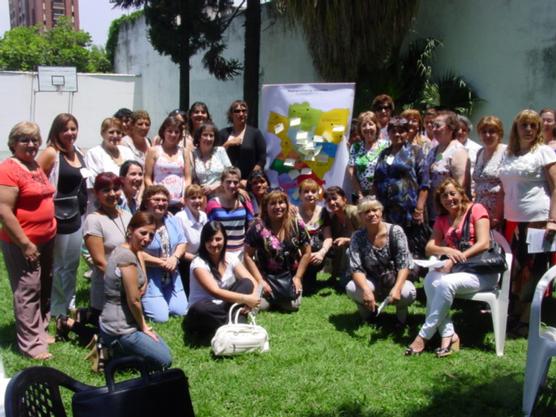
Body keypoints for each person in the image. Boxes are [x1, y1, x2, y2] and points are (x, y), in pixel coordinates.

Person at [406, 178, 495, 357]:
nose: (449, 198)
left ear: (461, 193)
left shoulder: (477, 209)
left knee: (445, 284)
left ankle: (424, 336)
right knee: (431, 280)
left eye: (452, 193)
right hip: (458, 272)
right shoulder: (442, 219)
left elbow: (484, 243)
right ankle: (449, 335)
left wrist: (455, 259)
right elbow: (430, 247)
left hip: (481, 271)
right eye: (444, 196)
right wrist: (446, 249)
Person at [0, 122, 56, 360]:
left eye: (35, 139)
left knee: (43, 285)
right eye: (25, 140)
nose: (31, 144)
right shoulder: (8, 169)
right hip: (23, 242)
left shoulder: (34, 165)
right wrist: (25, 243)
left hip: (47, 237)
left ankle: (40, 330)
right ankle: (31, 344)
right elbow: (3, 210)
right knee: (28, 288)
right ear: (13, 143)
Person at [499, 109, 556, 336]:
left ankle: (526, 319)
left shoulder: (544, 152)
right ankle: (514, 311)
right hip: (512, 220)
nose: (529, 129)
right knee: (515, 268)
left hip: (537, 220)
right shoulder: (509, 153)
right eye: (525, 125)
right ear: (516, 127)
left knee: (533, 270)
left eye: (534, 125)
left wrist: (553, 220)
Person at [57, 173, 132, 345]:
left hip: (127, 281)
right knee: (112, 340)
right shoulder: (93, 220)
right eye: (106, 190)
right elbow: (99, 262)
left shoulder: (127, 216)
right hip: (107, 285)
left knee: (125, 328)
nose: (112, 194)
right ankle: (67, 323)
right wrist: (124, 282)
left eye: (116, 189)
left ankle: (84, 315)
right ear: (97, 193)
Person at [99, 211, 172, 370]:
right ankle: (113, 351)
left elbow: (140, 256)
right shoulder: (126, 257)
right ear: (130, 230)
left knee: (164, 350)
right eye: (143, 233)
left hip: (126, 320)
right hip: (120, 328)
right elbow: (133, 300)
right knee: (165, 361)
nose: (147, 239)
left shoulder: (128, 248)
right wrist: (143, 326)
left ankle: (118, 350)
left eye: (151, 235)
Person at [37, 113, 88, 319]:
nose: (70, 133)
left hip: (77, 216)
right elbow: (37, 180)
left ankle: (70, 303)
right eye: (65, 129)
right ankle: (58, 308)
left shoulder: (79, 153)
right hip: (57, 218)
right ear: (56, 131)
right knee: (58, 266)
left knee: (72, 264)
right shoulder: (51, 153)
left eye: (73, 128)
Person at [345, 197, 416, 325]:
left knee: (407, 293)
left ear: (381, 212)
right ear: (360, 216)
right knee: (351, 288)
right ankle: (368, 316)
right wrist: (366, 290)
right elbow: (356, 268)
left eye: (375, 210)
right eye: (366, 212)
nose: (372, 214)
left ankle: (401, 319)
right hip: (372, 281)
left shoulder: (396, 231)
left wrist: (397, 288)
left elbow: (404, 264)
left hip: (394, 279)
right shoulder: (357, 237)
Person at [187, 221, 261, 335]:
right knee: (200, 309)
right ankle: (237, 319)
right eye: (209, 240)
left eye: (218, 239)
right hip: (206, 309)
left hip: (225, 305)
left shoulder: (230, 258)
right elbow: (216, 292)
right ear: (203, 242)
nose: (214, 243)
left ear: (225, 239)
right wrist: (246, 299)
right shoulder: (198, 263)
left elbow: (252, 282)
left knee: (246, 283)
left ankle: (232, 323)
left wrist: (253, 299)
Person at [244, 190, 311, 311]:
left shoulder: (296, 225)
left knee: (292, 306)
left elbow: (307, 252)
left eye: (281, 202)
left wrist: (298, 277)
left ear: (287, 204)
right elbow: (248, 256)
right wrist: (260, 281)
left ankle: (279, 298)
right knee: (260, 306)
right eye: (273, 203)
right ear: (266, 207)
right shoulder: (257, 227)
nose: (278, 207)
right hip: (266, 277)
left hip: (290, 277)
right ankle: (268, 296)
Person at [140, 185, 188, 322]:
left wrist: (175, 257)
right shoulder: (140, 222)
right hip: (151, 276)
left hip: (172, 275)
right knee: (160, 318)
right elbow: (136, 252)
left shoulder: (172, 220)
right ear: (146, 201)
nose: (161, 203)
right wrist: (161, 262)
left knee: (180, 311)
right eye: (156, 199)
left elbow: (182, 242)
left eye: (164, 200)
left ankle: (164, 299)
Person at [374, 116, 428, 230]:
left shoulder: (416, 151)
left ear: (407, 133)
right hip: (386, 210)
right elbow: (376, 180)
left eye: (401, 131)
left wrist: (419, 209)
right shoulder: (384, 153)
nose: (397, 134)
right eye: (393, 131)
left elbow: (425, 182)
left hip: (408, 211)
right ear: (388, 133)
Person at [424, 110, 469, 223]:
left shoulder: (457, 151)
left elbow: (460, 185)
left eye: (438, 126)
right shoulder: (434, 150)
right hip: (434, 210)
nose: (433, 129)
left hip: (450, 211)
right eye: (433, 126)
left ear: (450, 128)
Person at [84, 117, 135, 211]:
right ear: (102, 133)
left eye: (119, 132)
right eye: (111, 132)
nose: (115, 135)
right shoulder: (94, 153)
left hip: (128, 203)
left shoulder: (128, 152)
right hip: (103, 206)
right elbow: (93, 183)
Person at [144, 115, 191, 213]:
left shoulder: (184, 152)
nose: (173, 134)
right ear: (163, 132)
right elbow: (147, 177)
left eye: (176, 132)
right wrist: (156, 195)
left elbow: (187, 178)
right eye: (170, 131)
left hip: (179, 203)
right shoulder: (154, 150)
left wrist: (185, 196)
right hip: (159, 203)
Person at [206, 167, 254, 257]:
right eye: (228, 182)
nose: (232, 185)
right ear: (222, 183)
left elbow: (251, 225)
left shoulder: (245, 201)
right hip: (220, 253)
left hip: (241, 253)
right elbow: (209, 230)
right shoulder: (212, 204)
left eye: (235, 182)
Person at [218, 100, 267, 184]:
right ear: (231, 114)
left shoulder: (255, 133)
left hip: (248, 183)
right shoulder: (223, 133)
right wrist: (228, 144)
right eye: (237, 111)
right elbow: (216, 156)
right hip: (228, 183)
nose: (241, 114)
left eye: (244, 111)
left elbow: (262, 159)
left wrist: (249, 180)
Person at [297, 179, 332, 293]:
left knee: (309, 288)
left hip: (316, 254)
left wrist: (321, 253)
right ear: (300, 195)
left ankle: (308, 278)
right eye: (306, 191)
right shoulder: (293, 212)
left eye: (313, 191)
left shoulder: (323, 212)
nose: (310, 194)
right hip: (298, 253)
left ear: (318, 194)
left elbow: (328, 238)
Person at [322, 186, 361, 286]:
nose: (331, 202)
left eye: (334, 198)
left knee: (348, 251)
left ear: (344, 199)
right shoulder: (333, 217)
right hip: (346, 251)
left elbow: (368, 236)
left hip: (362, 249)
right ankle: (336, 275)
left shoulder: (355, 212)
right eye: (328, 200)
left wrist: (348, 240)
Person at [472, 116, 506, 231]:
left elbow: (505, 185)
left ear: (499, 133)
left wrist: (497, 214)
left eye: (492, 131)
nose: (487, 135)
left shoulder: (506, 152)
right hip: (479, 210)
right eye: (483, 132)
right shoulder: (480, 152)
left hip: (498, 210)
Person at [347, 111, 390, 201]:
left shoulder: (387, 145)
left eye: (371, 124)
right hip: (360, 196)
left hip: (381, 194)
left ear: (376, 126)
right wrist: (360, 195)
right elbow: (351, 172)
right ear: (360, 129)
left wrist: (374, 193)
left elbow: (390, 169)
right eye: (364, 125)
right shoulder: (355, 147)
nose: (367, 128)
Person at [175, 184, 209, 295]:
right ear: (185, 200)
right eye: (193, 198)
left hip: (200, 258)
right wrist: (198, 259)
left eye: (200, 197)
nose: (197, 201)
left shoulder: (203, 215)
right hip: (184, 262)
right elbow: (178, 248)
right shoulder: (180, 217)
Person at [191, 122, 231, 196]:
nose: (208, 138)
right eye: (205, 135)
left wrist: (214, 186)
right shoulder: (193, 153)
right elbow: (193, 178)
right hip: (201, 196)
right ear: (199, 137)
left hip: (222, 193)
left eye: (211, 135)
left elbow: (230, 173)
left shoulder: (220, 151)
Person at [456, 115, 482, 180]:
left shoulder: (478, 149)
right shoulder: (445, 146)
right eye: (457, 129)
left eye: (464, 130)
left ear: (468, 132)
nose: (460, 132)